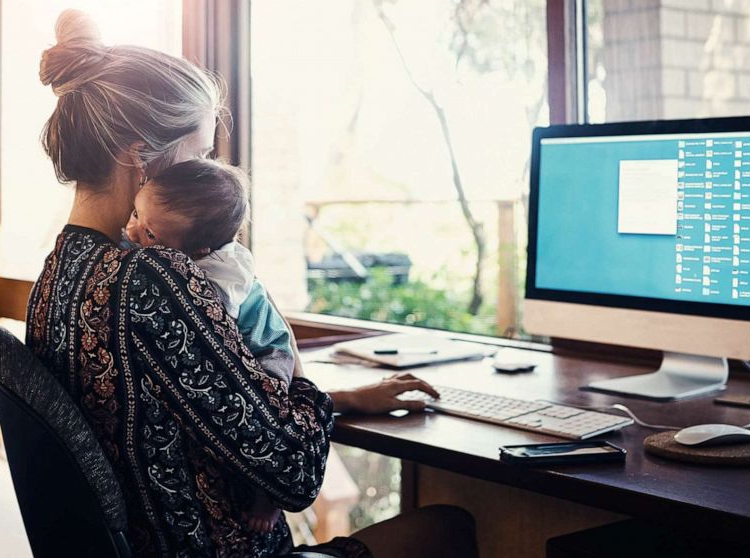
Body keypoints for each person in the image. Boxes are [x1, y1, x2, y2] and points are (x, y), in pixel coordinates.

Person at [26, 9, 477, 558]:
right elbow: (294, 475)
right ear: (139, 157)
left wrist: (342, 400)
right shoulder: (155, 277)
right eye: (198, 156)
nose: (206, 176)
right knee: (448, 527)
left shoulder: (59, 271)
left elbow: (174, 411)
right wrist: (304, 379)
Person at [124, 158, 300, 534]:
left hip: (268, 350)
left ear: (200, 250)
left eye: (150, 234)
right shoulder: (176, 244)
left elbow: (213, 326)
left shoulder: (219, 279)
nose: (133, 230)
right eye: (136, 213)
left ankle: (268, 496)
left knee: (266, 416)